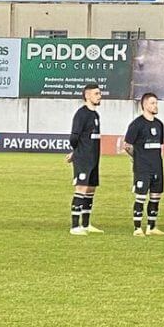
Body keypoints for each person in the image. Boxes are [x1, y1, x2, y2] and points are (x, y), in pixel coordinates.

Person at [123, 92, 164, 236]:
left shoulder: (159, 124)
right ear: (144, 105)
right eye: (152, 103)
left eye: (156, 103)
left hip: (157, 166)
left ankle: (151, 227)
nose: (155, 106)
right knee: (141, 197)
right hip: (142, 168)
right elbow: (127, 145)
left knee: (155, 196)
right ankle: (137, 228)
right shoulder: (137, 124)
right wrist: (137, 157)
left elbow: (158, 145)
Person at [67, 83, 103, 235]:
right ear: (87, 96)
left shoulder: (95, 115)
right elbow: (74, 137)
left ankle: (86, 224)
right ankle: (75, 226)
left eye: (99, 93)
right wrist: (76, 152)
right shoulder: (81, 114)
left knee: (91, 189)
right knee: (81, 188)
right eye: (96, 94)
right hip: (83, 158)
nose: (99, 96)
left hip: (94, 158)